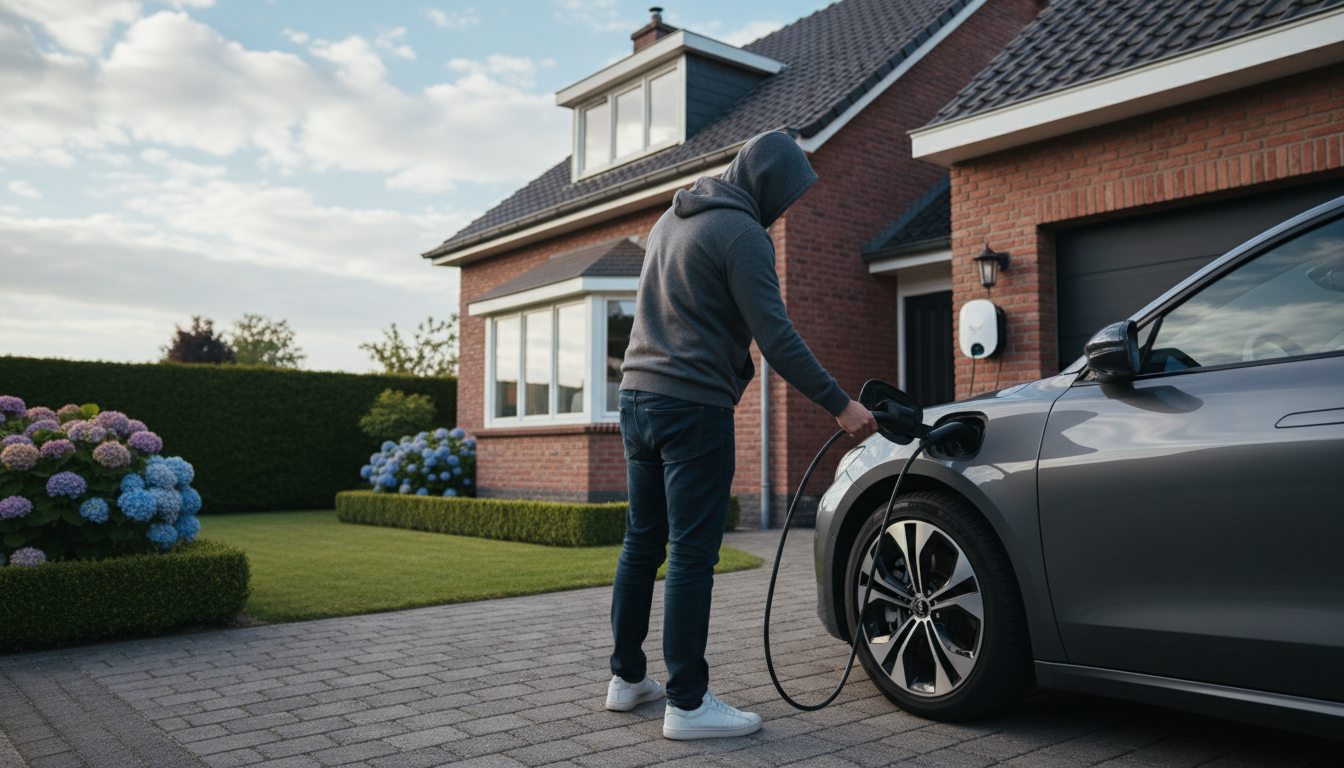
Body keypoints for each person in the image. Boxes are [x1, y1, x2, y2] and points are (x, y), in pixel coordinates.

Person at [605, 130, 878, 739]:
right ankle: (688, 704)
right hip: (692, 409)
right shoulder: (742, 235)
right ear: (768, 185)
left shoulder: (669, 223)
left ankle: (626, 679)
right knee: (693, 556)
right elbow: (776, 336)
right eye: (788, 196)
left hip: (637, 397)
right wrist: (841, 406)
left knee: (642, 542)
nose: (786, 211)